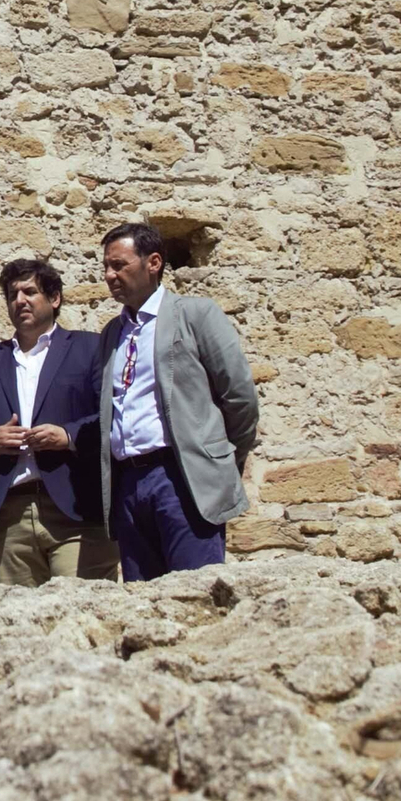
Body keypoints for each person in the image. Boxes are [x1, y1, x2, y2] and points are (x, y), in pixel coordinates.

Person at [98, 222, 259, 582]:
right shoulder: (112, 333)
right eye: (106, 267)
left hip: (182, 477)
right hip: (128, 483)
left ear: (153, 263)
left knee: (196, 593)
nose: (109, 275)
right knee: (142, 604)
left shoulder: (196, 315)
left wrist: (218, 460)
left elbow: (240, 397)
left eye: (119, 265)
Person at [0, 256, 120, 586]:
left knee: (83, 615)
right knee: (17, 623)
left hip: (77, 509)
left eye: (29, 291)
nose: (20, 300)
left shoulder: (91, 349)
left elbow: (112, 414)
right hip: (9, 515)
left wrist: (67, 436)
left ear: (54, 299)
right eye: (13, 294)